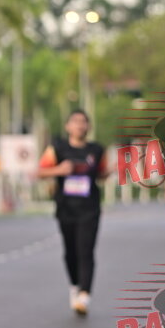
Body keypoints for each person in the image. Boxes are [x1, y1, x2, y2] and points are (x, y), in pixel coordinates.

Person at [37, 109, 108, 315]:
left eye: (83, 121)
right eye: (75, 121)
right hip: (66, 208)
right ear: (68, 126)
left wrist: (111, 171)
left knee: (86, 250)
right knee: (70, 252)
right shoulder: (57, 148)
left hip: (90, 209)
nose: (79, 125)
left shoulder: (97, 150)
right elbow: (40, 172)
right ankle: (75, 286)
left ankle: (85, 295)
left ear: (89, 126)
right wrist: (59, 170)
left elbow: (101, 174)